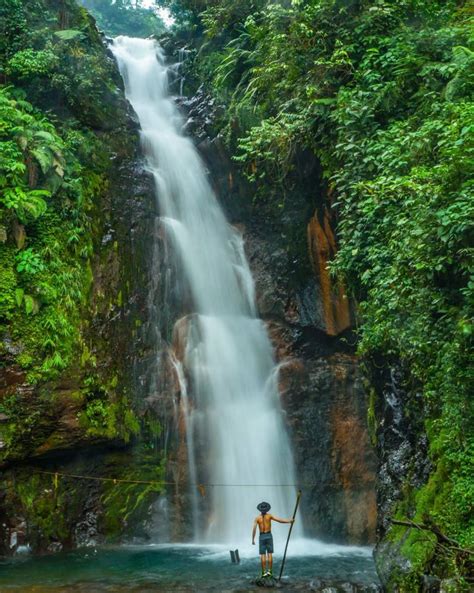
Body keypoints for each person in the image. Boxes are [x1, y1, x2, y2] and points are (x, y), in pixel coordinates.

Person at [251, 501, 294, 578]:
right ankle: (270, 572)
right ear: (267, 509)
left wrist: (253, 539)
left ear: (260, 510)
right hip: (269, 535)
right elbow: (280, 520)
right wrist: (289, 521)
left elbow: (254, 529)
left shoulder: (257, 518)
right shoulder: (269, 516)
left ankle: (264, 573)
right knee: (270, 554)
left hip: (262, 536)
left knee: (263, 555)